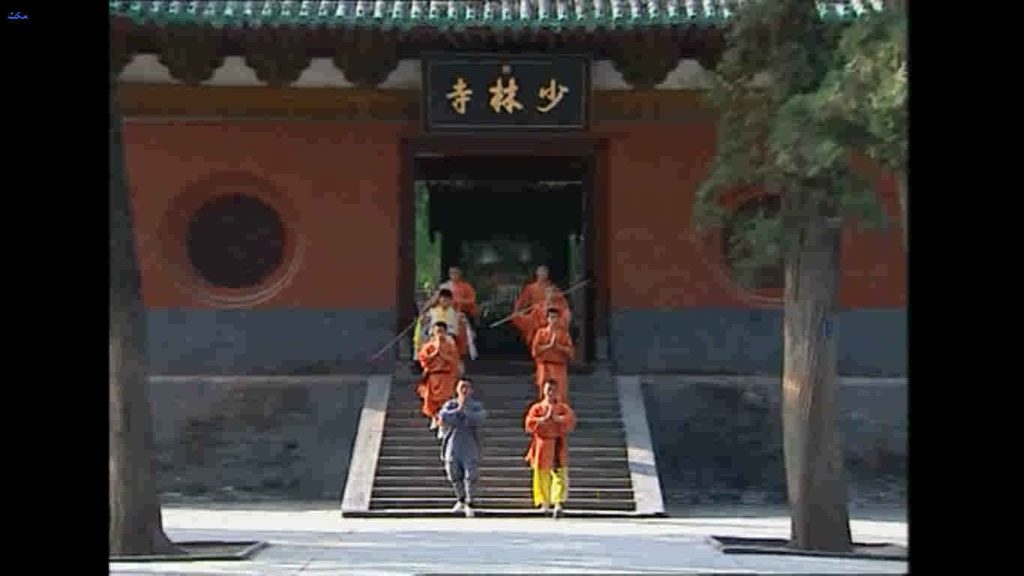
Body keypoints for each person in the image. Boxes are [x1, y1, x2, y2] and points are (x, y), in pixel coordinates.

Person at [524, 379, 577, 518]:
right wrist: (542, 420)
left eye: (553, 390)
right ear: (543, 391)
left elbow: (571, 420)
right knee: (542, 474)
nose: (550, 393)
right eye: (548, 390)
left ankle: (558, 502)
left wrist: (558, 419)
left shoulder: (562, 407)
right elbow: (529, 423)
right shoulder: (537, 408)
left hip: (558, 442)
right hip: (542, 444)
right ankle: (544, 502)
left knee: (559, 474)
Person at [438, 378, 488, 518]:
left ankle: (470, 502)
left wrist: (465, 412)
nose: (464, 390)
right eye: (461, 387)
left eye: (467, 387)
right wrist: (458, 410)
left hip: (469, 444)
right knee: (453, 472)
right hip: (453, 443)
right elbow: (443, 417)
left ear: (471, 390)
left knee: (470, 474)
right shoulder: (450, 405)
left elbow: (480, 418)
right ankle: (460, 498)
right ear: (457, 389)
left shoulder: (476, 406)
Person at [416, 321, 459, 432]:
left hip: (445, 376)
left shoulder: (450, 346)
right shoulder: (428, 346)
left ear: (446, 332)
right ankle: (435, 418)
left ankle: (443, 421)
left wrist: (443, 354)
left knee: (445, 400)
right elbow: (423, 360)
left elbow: (454, 362)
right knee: (430, 400)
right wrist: (435, 353)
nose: (439, 334)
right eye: (437, 331)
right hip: (433, 376)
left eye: (441, 331)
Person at [512, 266, 569, 345]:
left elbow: (562, 304)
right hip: (536, 317)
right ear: (537, 273)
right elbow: (521, 303)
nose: (543, 274)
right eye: (541, 271)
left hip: (549, 318)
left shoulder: (553, 288)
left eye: (545, 272)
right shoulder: (530, 288)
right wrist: (518, 312)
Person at [530, 307, 575, 402]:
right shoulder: (541, 333)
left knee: (560, 393)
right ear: (547, 319)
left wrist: (558, 346)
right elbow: (535, 351)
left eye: (555, 317)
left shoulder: (564, 334)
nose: (553, 320)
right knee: (544, 391)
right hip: (544, 366)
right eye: (551, 317)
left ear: (558, 319)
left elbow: (570, 352)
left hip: (559, 367)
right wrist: (548, 346)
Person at [422, 288, 470, 374]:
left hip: (449, 338)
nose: (445, 302)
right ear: (439, 300)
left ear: (451, 301)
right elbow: (425, 325)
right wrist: (424, 320)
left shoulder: (455, 313)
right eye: (443, 300)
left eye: (448, 300)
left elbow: (459, 327)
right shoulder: (432, 312)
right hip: (434, 339)